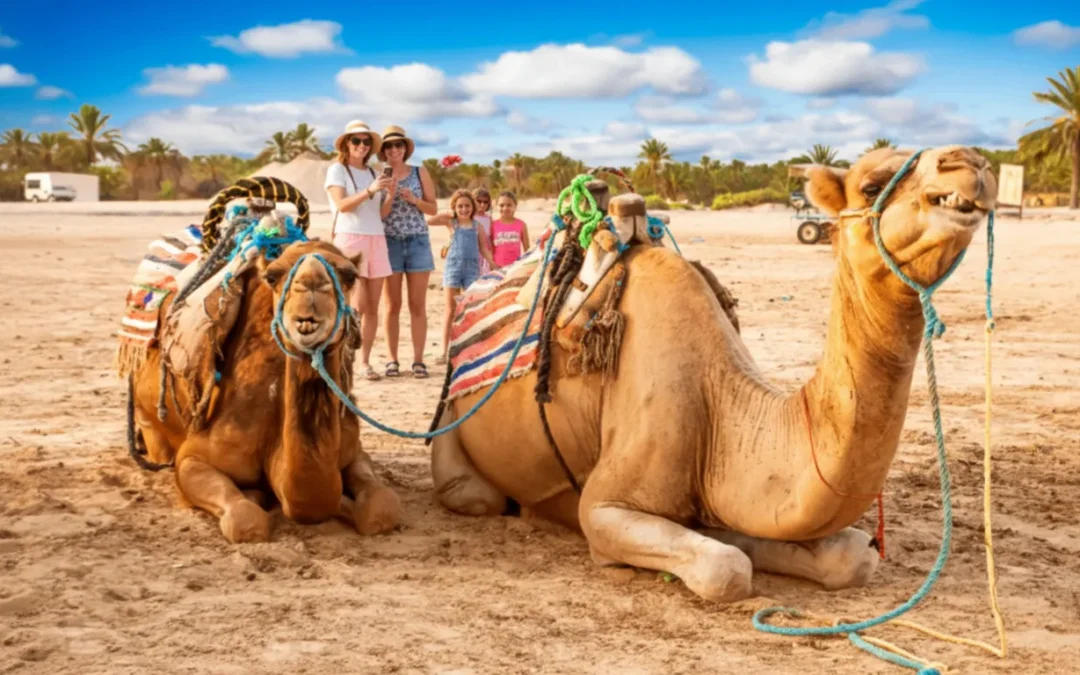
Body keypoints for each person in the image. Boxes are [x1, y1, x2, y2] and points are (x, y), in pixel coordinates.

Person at [325, 120, 394, 381]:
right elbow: (342, 205)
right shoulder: (337, 170)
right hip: (350, 238)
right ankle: (343, 357)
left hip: (376, 238)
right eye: (356, 141)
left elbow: (381, 214)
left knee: (373, 307)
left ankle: (364, 362)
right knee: (354, 305)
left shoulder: (376, 174)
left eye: (366, 142)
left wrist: (389, 195)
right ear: (346, 143)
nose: (362, 146)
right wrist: (369, 191)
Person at [378, 125, 439, 379]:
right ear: (384, 151)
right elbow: (380, 214)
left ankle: (418, 361)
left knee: (417, 305)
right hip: (389, 241)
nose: (394, 150)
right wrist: (390, 196)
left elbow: (434, 209)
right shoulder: (379, 175)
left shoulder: (419, 171)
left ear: (405, 149)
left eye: (399, 145)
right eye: (389, 146)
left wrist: (414, 200)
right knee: (392, 306)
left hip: (417, 241)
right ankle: (392, 360)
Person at [427, 190, 497, 364]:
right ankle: (444, 351)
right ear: (454, 208)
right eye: (460, 206)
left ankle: (471, 349)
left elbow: (484, 248)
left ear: (472, 207)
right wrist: (447, 212)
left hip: (472, 270)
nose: (464, 209)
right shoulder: (451, 223)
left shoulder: (477, 226)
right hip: (453, 269)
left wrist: (493, 263)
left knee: (470, 309)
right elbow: (429, 220)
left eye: (467, 206)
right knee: (450, 310)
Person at [490, 191, 530, 267]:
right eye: (501, 205)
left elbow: (527, 250)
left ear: (515, 206)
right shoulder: (493, 225)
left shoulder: (521, 225)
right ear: (496, 206)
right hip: (498, 267)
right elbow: (491, 249)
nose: (505, 208)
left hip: (515, 267)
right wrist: (492, 265)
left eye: (509, 205)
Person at [472, 188, 494, 276]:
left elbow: (491, 238)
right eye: (479, 201)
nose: (482, 204)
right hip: (471, 251)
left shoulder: (489, 219)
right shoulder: (469, 217)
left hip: (485, 253)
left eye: (485, 202)